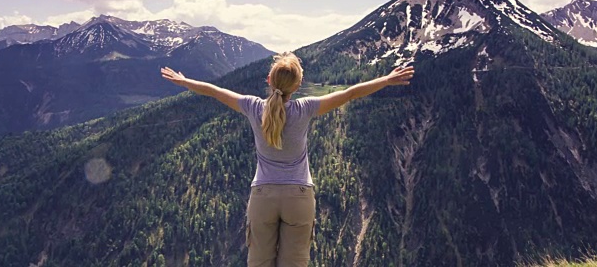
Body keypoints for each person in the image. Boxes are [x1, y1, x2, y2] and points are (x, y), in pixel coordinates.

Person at [161, 52, 414, 267]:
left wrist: (184, 81)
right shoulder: (306, 108)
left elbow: (215, 92)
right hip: (299, 196)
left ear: (269, 80)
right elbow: (349, 93)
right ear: (298, 84)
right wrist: (387, 79)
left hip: (262, 196)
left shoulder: (253, 107)